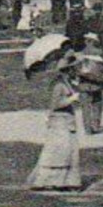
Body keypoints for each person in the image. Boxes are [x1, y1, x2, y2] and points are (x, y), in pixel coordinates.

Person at [27, 55, 83, 191]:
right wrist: (71, 99)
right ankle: (50, 180)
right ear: (68, 70)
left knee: (66, 151)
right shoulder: (59, 84)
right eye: (75, 68)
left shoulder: (66, 82)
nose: (77, 70)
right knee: (59, 151)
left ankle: (65, 181)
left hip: (66, 120)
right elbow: (55, 104)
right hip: (60, 121)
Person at [75, 33, 103, 134]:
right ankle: (96, 125)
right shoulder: (100, 52)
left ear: (87, 41)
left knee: (85, 107)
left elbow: (75, 68)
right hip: (97, 82)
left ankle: (87, 128)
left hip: (84, 83)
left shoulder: (80, 53)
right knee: (97, 104)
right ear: (95, 41)